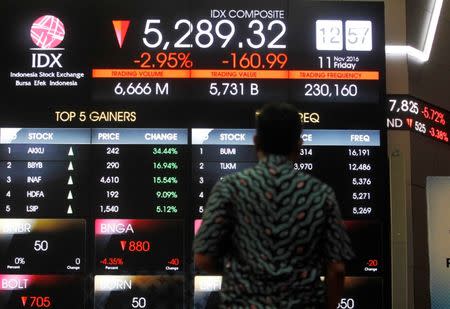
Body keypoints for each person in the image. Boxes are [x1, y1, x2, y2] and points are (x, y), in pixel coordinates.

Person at [193, 102, 354, 309]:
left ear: (256, 142)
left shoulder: (230, 188)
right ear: (299, 145)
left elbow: (203, 257)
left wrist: (242, 275)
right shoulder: (321, 194)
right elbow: (337, 269)